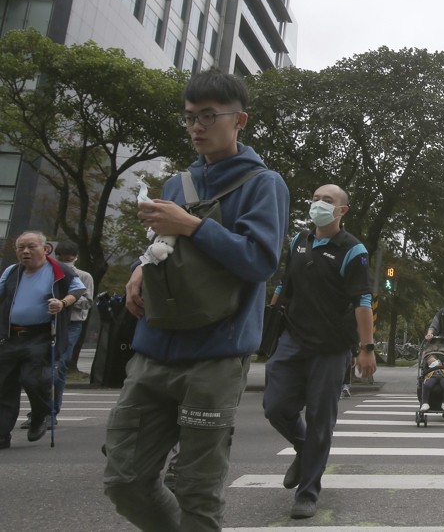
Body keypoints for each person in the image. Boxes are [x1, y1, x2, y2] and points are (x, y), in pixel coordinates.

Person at [104, 70, 290, 531]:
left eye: (209, 116)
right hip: (154, 346)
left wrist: (192, 225)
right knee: (123, 478)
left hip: (216, 355)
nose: (197, 127)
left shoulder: (263, 184)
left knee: (196, 489)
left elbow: (259, 261)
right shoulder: (176, 185)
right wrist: (137, 270)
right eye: (190, 117)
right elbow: (162, 250)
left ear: (239, 119)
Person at [263, 184, 376, 519]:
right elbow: (285, 286)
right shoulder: (299, 241)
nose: (319, 205)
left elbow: (363, 301)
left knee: (320, 421)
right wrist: (269, 320)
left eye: (328, 201)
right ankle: (303, 447)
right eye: (315, 199)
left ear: (343, 210)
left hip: (330, 348)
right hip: (292, 340)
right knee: (275, 407)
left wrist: (367, 348)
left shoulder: (353, 250)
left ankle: (308, 492)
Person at [0, 230, 86, 448]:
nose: (25, 252)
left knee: (33, 379)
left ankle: (41, 414)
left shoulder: (59, 270)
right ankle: (2, 434)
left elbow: (77, 290)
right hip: (11, 337)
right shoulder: (12, 272)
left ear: (45, 249)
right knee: (3, 385)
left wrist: (62, 303)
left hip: (41, 336)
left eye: (31, 246)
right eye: (21, 247)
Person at [52, 241, 94, 419]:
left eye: (69, 259)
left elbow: (88, 302)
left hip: (71, 323)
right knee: (43, 366)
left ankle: (51, 411)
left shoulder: (84, 276)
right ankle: (40, 411)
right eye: (62, 259)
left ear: (76, 257)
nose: (66, 263)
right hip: (50, 322)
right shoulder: (49, 272)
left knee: (59, 365)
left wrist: (68, 300)